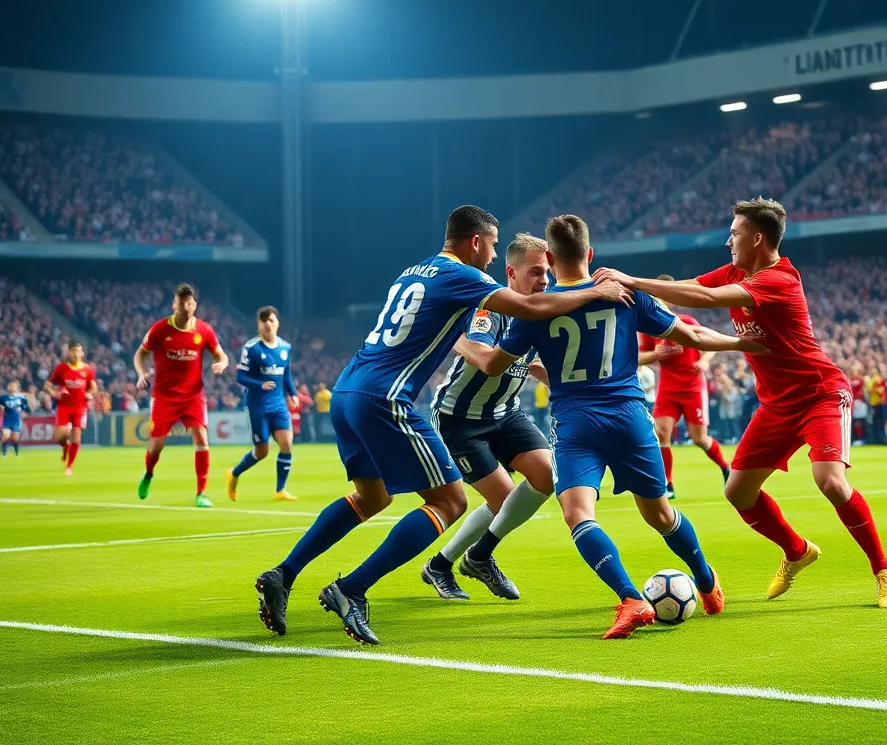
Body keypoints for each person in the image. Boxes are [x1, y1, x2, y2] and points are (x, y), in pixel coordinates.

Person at [252, 205, 633, 645]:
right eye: (491, 246)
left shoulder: (413, 272)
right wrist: (594, 293)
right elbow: (531, 308)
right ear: (475, 241)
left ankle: (284, 573)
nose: (491, 257)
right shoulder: (465, 277)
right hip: (387, 398)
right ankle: (352, 589)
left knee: (370, 497)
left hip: (348, 390)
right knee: (450, 501)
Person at [594, 197, 887, 609]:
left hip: (820, 393)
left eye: (735, 232)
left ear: (757, 237)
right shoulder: (738, 270)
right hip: (776, 404)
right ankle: (796, 551)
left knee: (829, 480)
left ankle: (883, 570)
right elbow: (692, 289)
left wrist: (631, 280)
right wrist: (639, 286)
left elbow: (706, 301)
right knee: (738, 492)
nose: (728, 241)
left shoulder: (780, 280)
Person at [465, 214, 756, 638]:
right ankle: (707, 582)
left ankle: (631, 599)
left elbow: (492, 365)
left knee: (578, 514)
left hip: (576, 424)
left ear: (548, 257)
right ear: (591, 253)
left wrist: (457, 337)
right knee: (659, 513)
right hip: (629, 417)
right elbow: (690, 337)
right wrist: (743, 343)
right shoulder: (625, 295)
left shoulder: (535, 310)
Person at [420, 233, 558, 601]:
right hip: (460, 418)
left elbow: (538, 364)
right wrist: (454, 337)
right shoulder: (489, 309)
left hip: (506, 413)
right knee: (504, 500)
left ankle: (472, 559)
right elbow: (483, 356)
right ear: (511, 272)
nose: (544, 280)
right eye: (536, 272)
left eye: (548, 273)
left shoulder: (541, 313)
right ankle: (443, 564)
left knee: (547, 476)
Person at [637, 275, 733, 495]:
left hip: (692, 387)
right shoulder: (648, 330)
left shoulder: (686, 322)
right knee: (661, 433)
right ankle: (668, 484)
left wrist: (703, 360)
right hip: (668, 388)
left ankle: (725, 467)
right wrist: (656, 353)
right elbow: (640, 358)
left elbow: (708, 344)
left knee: (699, 438)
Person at [134, 284, 229, 505]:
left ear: (194, 305)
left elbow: (221, 355)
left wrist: (221, 364)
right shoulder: (159, 329)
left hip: (193, 395)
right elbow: (140, 354)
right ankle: (148, 474)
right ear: (174, 304)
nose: (185, 306)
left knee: (202, 438)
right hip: (164, 396)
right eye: (181, 302)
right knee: (156, 445)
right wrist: (140, 374)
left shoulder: (204, 330)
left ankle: (201, 493)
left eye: (189, 302)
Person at [227, 306, 300, 502]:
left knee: (286, 444)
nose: (268, 324)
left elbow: (286, 375)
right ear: (258, 325)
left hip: (278, 405)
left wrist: (292, 394)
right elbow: (240, 377)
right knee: (262, 451)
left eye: (271, 320)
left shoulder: (285, 347)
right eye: (263, 320)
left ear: (277, 323)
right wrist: (260, 384)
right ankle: (234, 472)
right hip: (257, 406)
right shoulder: (252, 348)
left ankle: (280, 490)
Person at [44, 341, 98, 475]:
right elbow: (47, 384)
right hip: (64, 406)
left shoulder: (87, 369)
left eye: (79, 351)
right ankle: (65, 447)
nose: (76, 353)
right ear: (68, 353)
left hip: (80, 407)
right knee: (61, 437)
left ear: (82, 353)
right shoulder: (61, 368)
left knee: (76, 438)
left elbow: (93, 387)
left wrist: (90, 394)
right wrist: (54, 393)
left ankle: (69, 466)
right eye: (73, 350)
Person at [1, 380, 32, 457]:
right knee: (5, 437)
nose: (11, 387)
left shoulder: (21, 398)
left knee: (15, 438)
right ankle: (4, 454)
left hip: (16, 420)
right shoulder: (4, 398)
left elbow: (26, 408)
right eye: (10, 385)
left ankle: (16, 453)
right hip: (7, 420)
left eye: (13, 386)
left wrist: (25, 413)